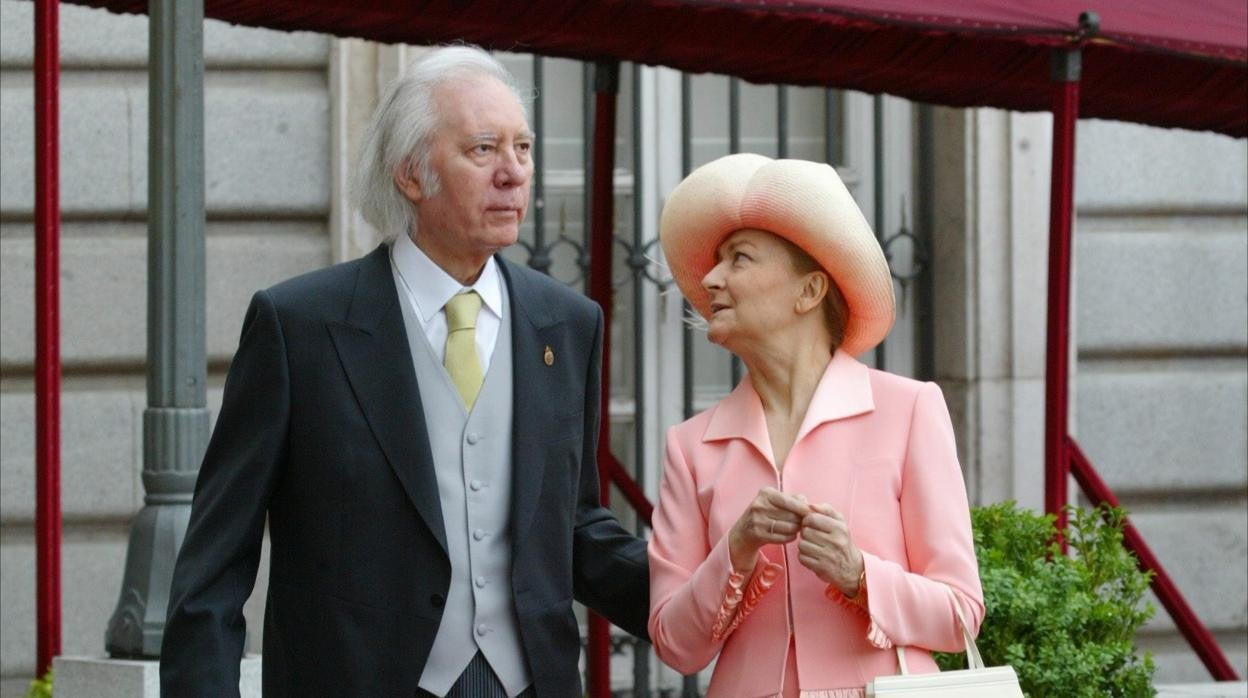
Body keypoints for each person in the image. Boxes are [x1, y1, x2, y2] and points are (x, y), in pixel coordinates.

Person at [160, 45, 649, 697]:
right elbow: (216, 562)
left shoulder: (567, 323)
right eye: (482, 149)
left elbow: (573, 525)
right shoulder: (298, 327)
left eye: (523, 149)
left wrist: (718, 590)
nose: (514, 174)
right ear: (411, 175)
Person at [648, 153, 983, 697]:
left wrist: (858, 574)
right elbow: (673, 643)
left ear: (809, 291)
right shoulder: (690, 446)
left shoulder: (909, 410)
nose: (710, 279)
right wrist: (736, 548)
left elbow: (961, 612)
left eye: (740, 259)